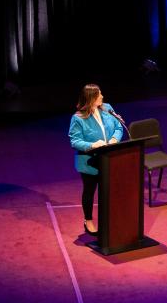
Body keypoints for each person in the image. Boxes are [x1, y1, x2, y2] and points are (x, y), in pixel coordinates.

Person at [68, 84, 125, 235]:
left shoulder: (107, 108)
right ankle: (88, 220)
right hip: (90, 161)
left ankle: (111, 219)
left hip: (108, 158)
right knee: (89, 191)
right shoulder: (78, 118)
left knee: (109, 191)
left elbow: (119, 127)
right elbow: (75, 141)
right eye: (99, 94)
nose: (102, 96)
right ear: (91, 98)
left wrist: (114, 139)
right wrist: (93, 145)